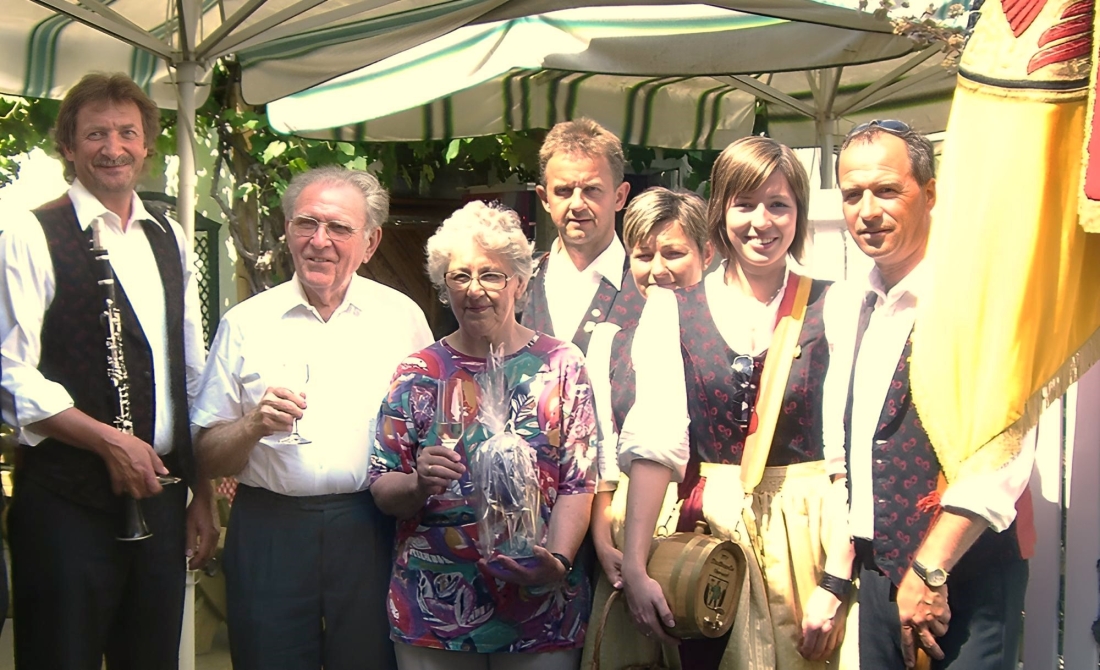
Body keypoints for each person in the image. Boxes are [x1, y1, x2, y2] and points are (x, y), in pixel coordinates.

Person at [0, 72, 218, 669]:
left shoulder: (170, 236)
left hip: (162, 500)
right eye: (95, 133)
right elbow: (9, 372)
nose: (113, 147)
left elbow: (190, 373)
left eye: (127, 132)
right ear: (67, 147)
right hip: (67, 504)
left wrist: (200, 491)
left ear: (148, 144)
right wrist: (107, 441)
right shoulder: (30, 232)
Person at [619, 137, 856, 670]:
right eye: (744, 203)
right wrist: (636, 564)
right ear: (721, 210)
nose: (761, 221)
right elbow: (657, 444)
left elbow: (846, 459)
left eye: (779, 205)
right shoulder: (672, 311)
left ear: (798, 214)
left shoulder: (834, 304)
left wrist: (838, 579)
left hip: (808, 536)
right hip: (709, 543)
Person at [190, 166, 432, 670]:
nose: (319, 241)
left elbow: (428, 426)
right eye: (306, 223)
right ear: (288, 231)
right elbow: (208, 453)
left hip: (370, 526)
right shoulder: (245, 323)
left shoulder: (402, 318)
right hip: (270, 529)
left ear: (370, 242)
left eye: (339, 228)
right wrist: (254, 424)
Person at [824, 120, 1035, 669]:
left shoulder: (978, 297)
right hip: (877, 575)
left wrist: (930, 571)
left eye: (887, 190)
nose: (867, 210)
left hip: (963, 575)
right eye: (853, 194)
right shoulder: (849, 306)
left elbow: (1005, 451)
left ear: (931, 193)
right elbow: (847, 452)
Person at [370, 200, 596, 670]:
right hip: (435, 609)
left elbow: (579, 482)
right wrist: (416, 484)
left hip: (541, 608)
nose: (475, 291)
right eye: (460, 276)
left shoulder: (562, 366)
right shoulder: (418, 374)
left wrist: (558, 558)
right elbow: (382, 483)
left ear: (518, 280)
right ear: (443, 284)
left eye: (491, 275)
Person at [581, 187, 715, 670]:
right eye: (643, 255)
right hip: (625, 534)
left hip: (705, 523)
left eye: (674, 252)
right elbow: (599, 451)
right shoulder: (610, 340)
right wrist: (601, 539)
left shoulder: (721, 334)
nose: (658, 268)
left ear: (708, 252)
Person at [525, 118, 643, 354]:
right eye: (563, 191)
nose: (577, 204)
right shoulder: (518, 283)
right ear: (545, 198)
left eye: (591, 189)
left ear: (620, 196)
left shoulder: (648, 285)